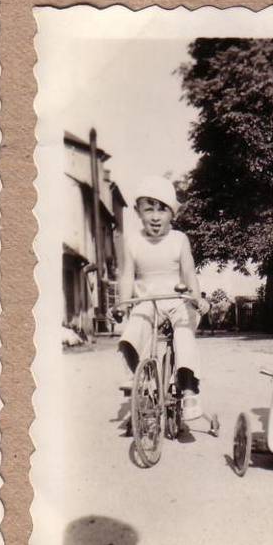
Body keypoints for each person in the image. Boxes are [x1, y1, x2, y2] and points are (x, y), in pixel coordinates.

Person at [113, 175, 210, 420]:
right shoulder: (133, 242)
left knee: (184, 332)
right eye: (149, 209)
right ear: (138, 212)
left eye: (162, 210)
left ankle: (188, 390)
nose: (155, 217)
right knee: (133, 330)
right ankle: (138, 381)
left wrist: (196, 298)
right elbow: (126, 276)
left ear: (171, 214)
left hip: (177, 300)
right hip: (147, 301)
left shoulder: (179, 239)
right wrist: (122, 305)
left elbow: (189, 273)